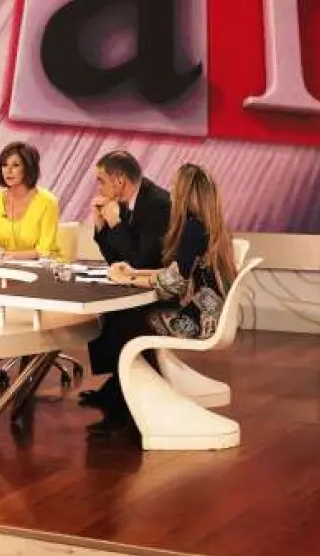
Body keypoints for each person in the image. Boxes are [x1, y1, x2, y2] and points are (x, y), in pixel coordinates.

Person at [87, 163, 238, 435]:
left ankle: (125, 407)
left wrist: (131, 280)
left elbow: (173, 285)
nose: (170, 192)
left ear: (185, 193)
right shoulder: (208, 226)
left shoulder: (193, 229)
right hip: (208, 314)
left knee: (126, 325)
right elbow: (174, 272)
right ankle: (123, 395)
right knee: (127, 319)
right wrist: (134, 273)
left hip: (198, 321)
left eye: (174, 187)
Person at [81, 151, 171, 407]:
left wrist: (117, 225)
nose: (99, 188)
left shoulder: (157, 204)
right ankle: (117, 383)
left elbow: (142, 261)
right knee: (105, 310)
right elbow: (117, 261)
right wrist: (101, 227)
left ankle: (124, 391)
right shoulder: (124, 203)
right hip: (139, 284)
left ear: (119, 180)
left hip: (162, 289)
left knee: (120, 317)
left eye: (101, 181)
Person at [0, 141, 61, 261]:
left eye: (15, 165)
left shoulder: (48, 202)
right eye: (4, 165)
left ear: (28, 168)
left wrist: (9, 256)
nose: (8, 171)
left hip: (41, 267)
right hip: (4, 266)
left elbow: (45, 250)